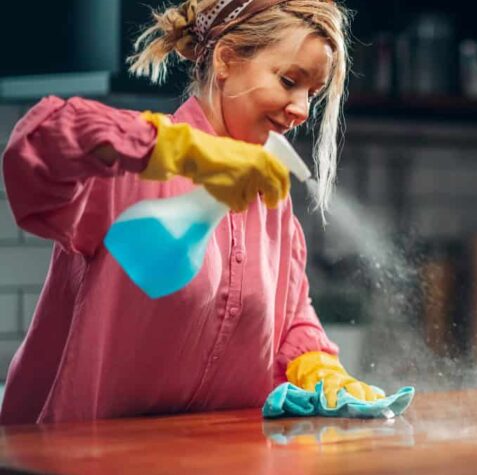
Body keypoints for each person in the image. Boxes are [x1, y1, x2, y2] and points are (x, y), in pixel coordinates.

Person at [0, 0, 386, 425]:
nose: (301, 110)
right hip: (91, 460)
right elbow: (35, 145)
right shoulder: (127, 164)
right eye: (288, 80)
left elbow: (291, 317)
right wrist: (173, 149)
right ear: (226, 60)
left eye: (310, 93)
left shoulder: (271, 198)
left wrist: (316, 364)